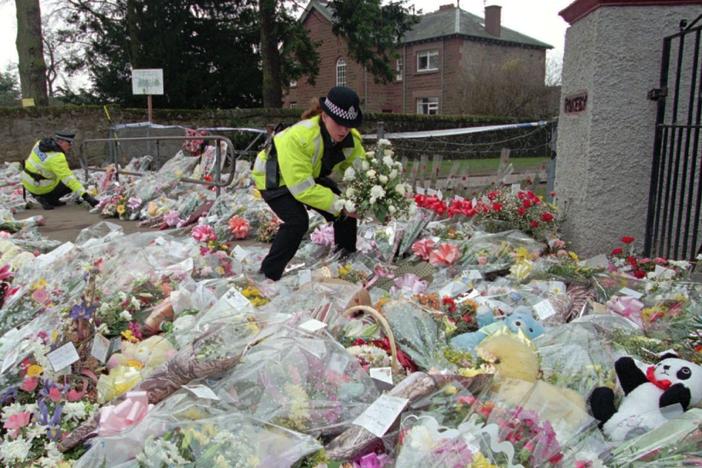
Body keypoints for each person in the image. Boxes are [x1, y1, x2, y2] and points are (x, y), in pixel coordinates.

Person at [252, 86, 366, 280]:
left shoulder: (350, 139)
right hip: (273, 179)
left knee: (344, 209)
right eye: (339, 123)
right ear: (325, 116)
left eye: (349, 124)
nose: (344, 130)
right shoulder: (300, 137)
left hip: (307, 176)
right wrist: (343, 207)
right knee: (297, 221)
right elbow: (303, 190)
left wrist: (376, 197)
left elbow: (363, 170)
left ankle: (345, 262)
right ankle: (268, 275)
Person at [20, 131, 99, 210]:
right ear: (62, 142)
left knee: (56, 175)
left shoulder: (39, 143)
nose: (70, 147)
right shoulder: (57, 157)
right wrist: (86, 197)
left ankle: (44, 197)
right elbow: (69, 179)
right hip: (40, 187)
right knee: (70, 183)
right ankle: (47, 199)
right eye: (69, 144)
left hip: (26, 182)